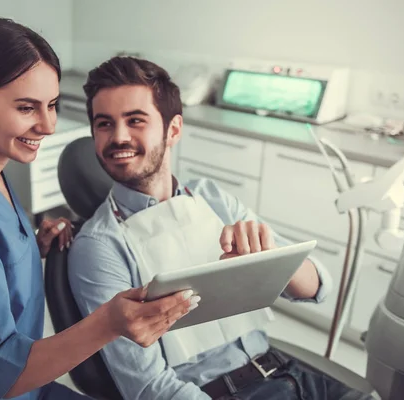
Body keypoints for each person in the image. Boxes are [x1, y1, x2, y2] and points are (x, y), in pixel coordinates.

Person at [0, 19, 199, 400]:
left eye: (51, 105)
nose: (48, 125)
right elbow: (0, 374)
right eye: (27, 108)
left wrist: (23, 249)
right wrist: (109, 322)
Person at [68, 56, 374, 400]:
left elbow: (318, 286)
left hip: (285, 372)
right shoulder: (99, 246)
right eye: (104, 124)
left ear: (173, 130)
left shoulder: (211, 198)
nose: (118, 137)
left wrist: (270, 257)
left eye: (135, 120)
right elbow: (148, 387)